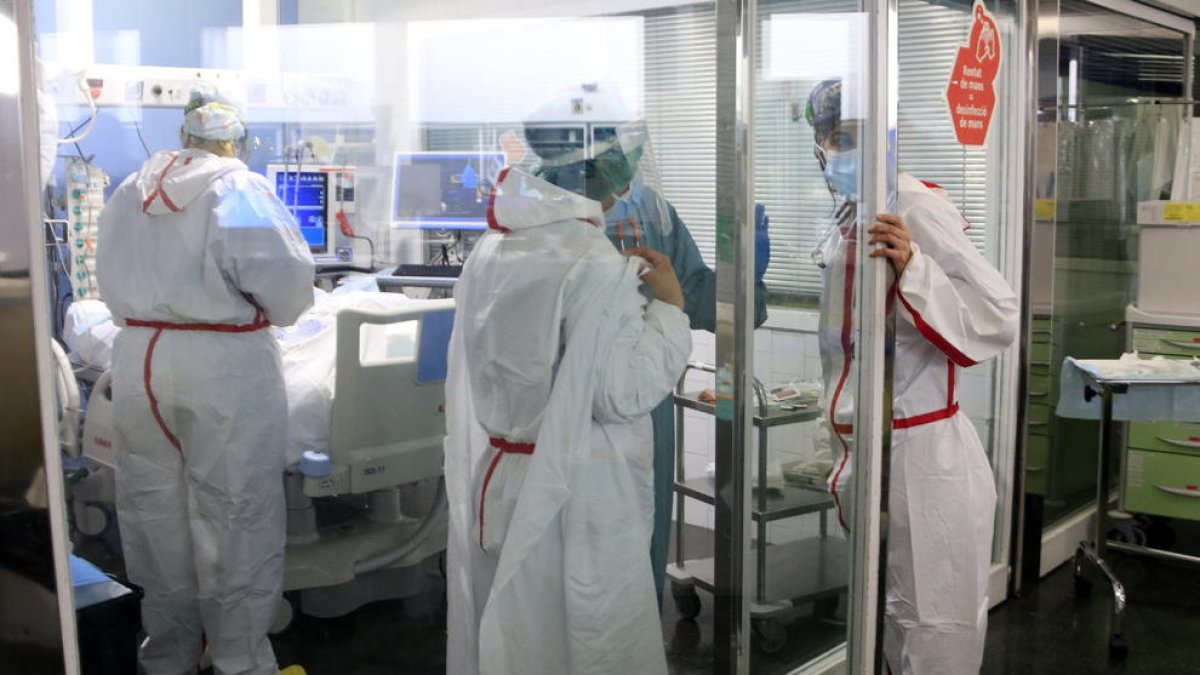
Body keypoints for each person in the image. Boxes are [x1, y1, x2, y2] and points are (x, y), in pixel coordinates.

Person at [96, 83, 314, 675]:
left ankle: (167, 654)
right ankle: (240, 659)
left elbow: (107, 277)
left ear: (185, 137)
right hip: (222, 369)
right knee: (236, 513)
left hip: (140, 360)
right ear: (235, 141)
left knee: (154, 511)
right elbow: (286, 285)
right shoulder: (239, 187)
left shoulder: (128, 190)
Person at [523, 84, 771, 601]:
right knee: (554, 575)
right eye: (616, 155)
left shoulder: (647, 211)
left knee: (632, 550)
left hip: (636, 406)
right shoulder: (527, 223)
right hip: (550, 412)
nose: (627, 170)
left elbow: (696, 293)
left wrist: (743, 280)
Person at [806, 79, 1019, 674]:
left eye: (859, 136)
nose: (844, 149)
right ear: (819, 145)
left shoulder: (915, 207)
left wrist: (915, 269)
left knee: (932, 630)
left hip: (925, 459)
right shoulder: (848, 214)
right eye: (835, 137)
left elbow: (997, 315)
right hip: (870, 453)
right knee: (890, 620)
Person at [444, 167, 692, 674]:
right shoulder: (591, 257)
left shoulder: (493, 248)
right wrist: (670, 307)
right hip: (575, 486)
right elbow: (620, 392)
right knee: (587, 635)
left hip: (502, 478)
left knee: (518, 636)